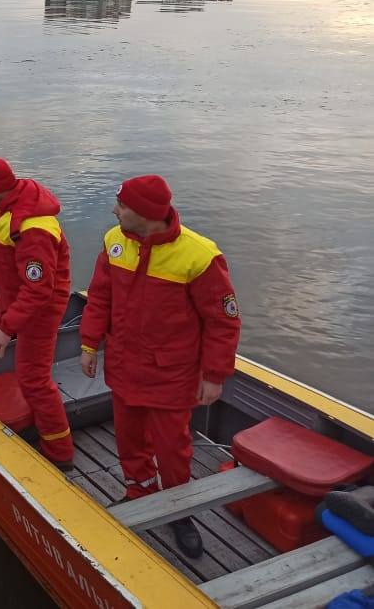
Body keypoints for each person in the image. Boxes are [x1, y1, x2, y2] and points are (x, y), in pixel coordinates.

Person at [79, 175, 241, 559]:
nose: (114, 210)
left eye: (121, 205)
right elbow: (99, 297)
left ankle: (178, 511)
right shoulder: (114, 242)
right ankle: (138, 491)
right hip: (124, 368)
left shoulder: (199, 256)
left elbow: (223, 321)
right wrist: (88, 344)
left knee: (173, 448)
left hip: (172, 376)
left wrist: (214, 376)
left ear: (145, 213)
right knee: (129, 438)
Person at [0, 157, 74, 469]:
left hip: (40, 307)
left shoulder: (34, 228)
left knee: (34, 379)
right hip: (12, 293)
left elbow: (39, 290)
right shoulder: (11, 204)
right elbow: (2, 240)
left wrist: (7, 328)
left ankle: (59, 452)